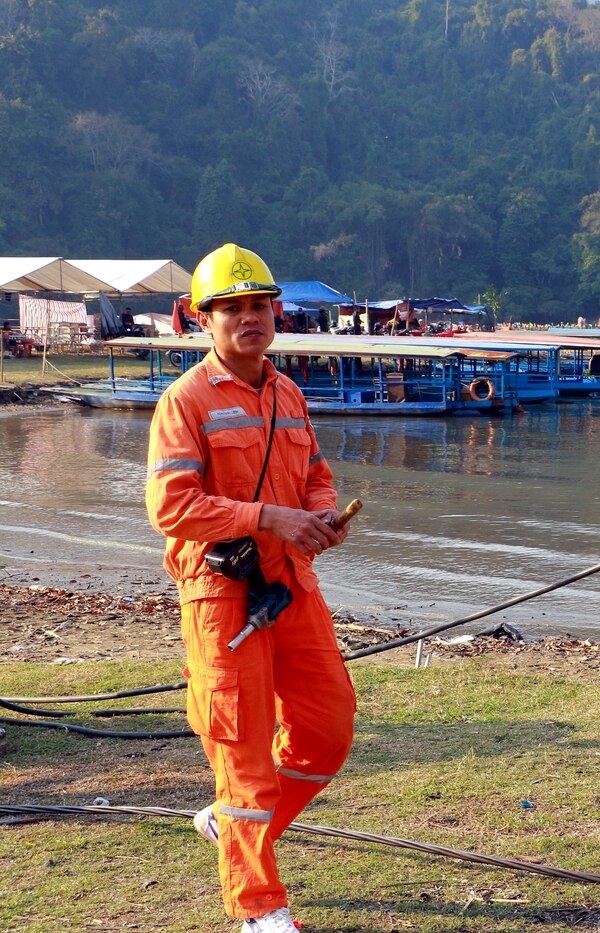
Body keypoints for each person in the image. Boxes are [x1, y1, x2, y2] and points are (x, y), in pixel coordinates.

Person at [145, 243, 357, 933]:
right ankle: (258, 908)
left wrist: (322, 514)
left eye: (258, 306)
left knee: (327, 729)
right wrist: (270, 517)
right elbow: (171, 506)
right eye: (231, 308)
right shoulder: (186, 402)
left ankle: (231, 826)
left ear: (277, 312)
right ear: (202, 320)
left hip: (291, 584)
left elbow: (316, 472)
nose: (248, 319)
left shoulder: (288, 392)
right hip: (222, 594)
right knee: (243, 750)